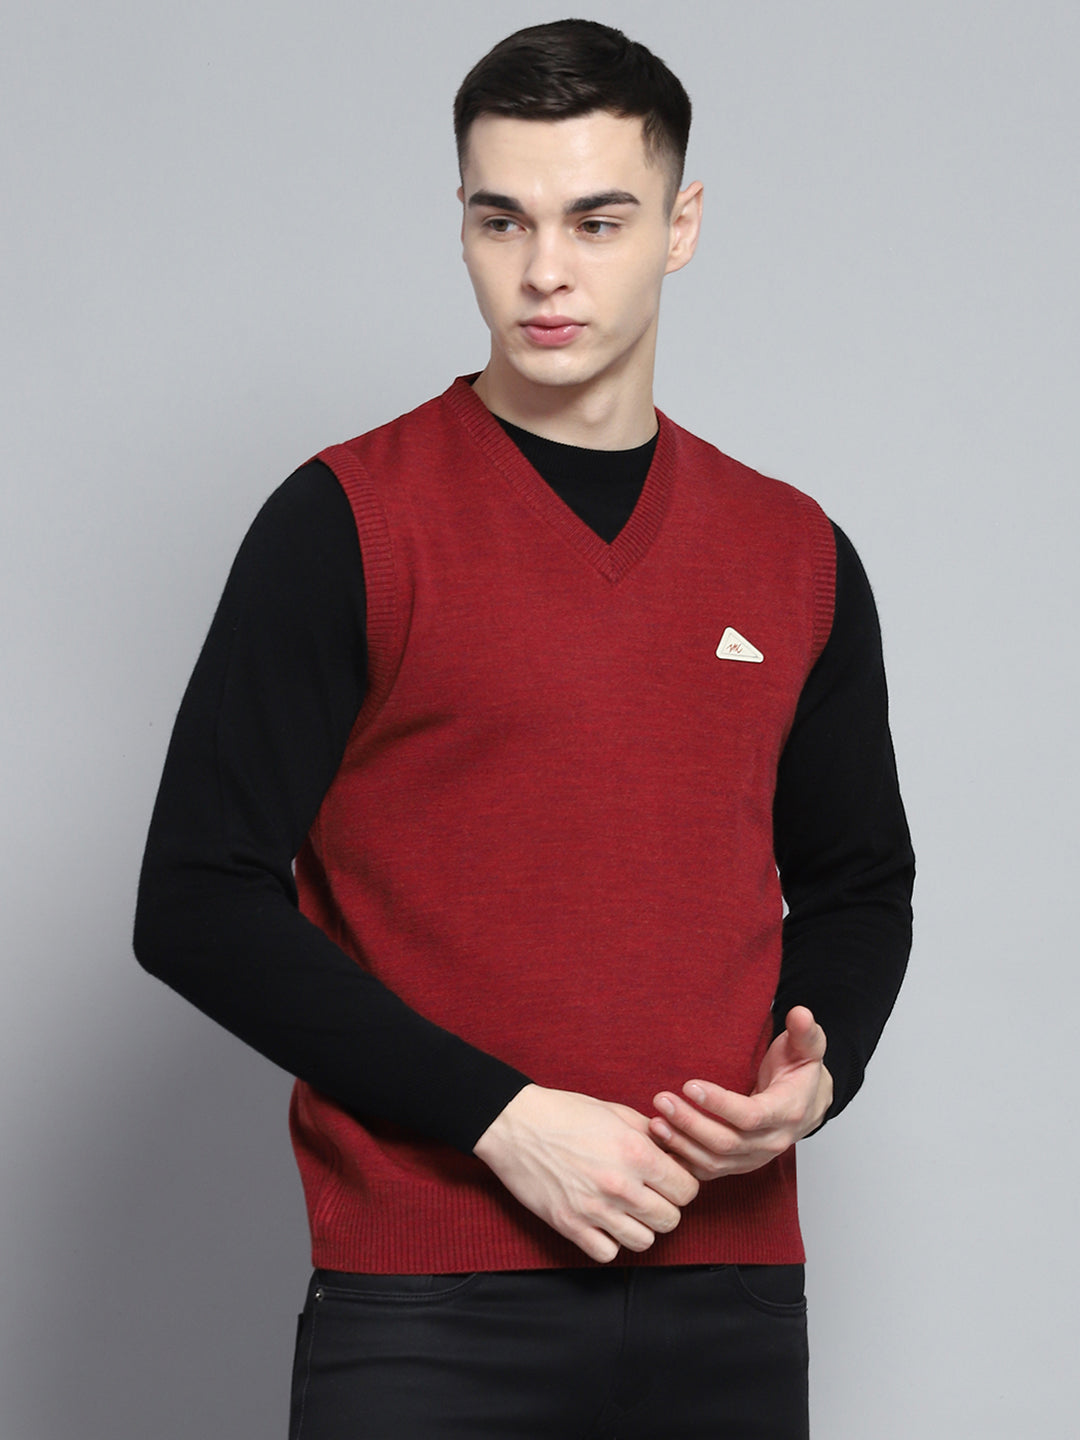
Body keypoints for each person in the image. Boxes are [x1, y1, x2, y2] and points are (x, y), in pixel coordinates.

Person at [135, 18, 913, 1439]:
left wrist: (816, 1078)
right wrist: (501, 1115)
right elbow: (195, 900)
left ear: (681, 226)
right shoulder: (348, 522)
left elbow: (859, 881)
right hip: (427, 1304)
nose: (545, 270)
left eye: (596, 221)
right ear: (464, 224)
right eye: (504, 220)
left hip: (729, 1291)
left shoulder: (795, 553)